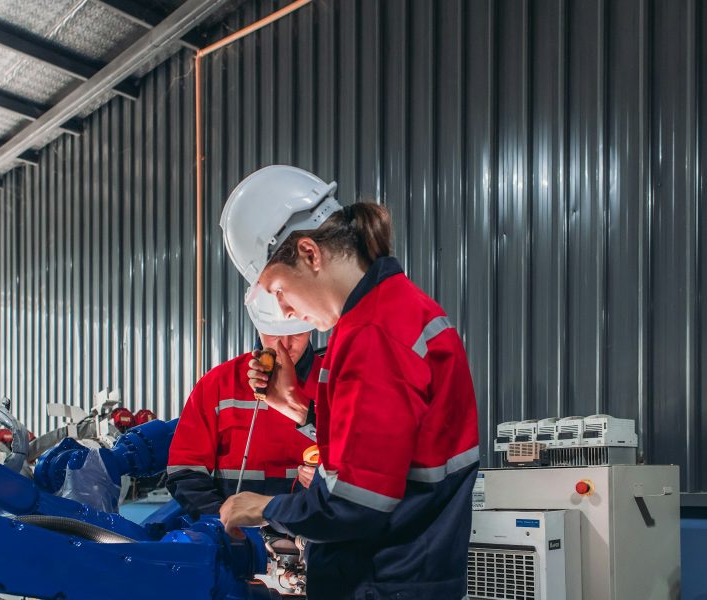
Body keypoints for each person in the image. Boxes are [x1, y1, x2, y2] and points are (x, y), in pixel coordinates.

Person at [216, 165, 479, 599]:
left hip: (383, 581)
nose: (282, 311)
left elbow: (356, 504)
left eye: (277, 289)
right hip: (407, 575)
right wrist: (298, 410)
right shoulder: (392, 312)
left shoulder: (373, 333)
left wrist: (264, 508)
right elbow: (390, 451)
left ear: (310, 254)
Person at [166, 324, 323, 517]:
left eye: (296, 332)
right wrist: (222, 523)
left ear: (310, 325)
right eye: (275, 332)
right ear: (259, 326)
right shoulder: (218, 383)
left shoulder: (337, 383)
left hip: (314, 535)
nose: (285, 345)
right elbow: (186, 469)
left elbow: (362, 469)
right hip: (234, 535)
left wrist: (328, 482)